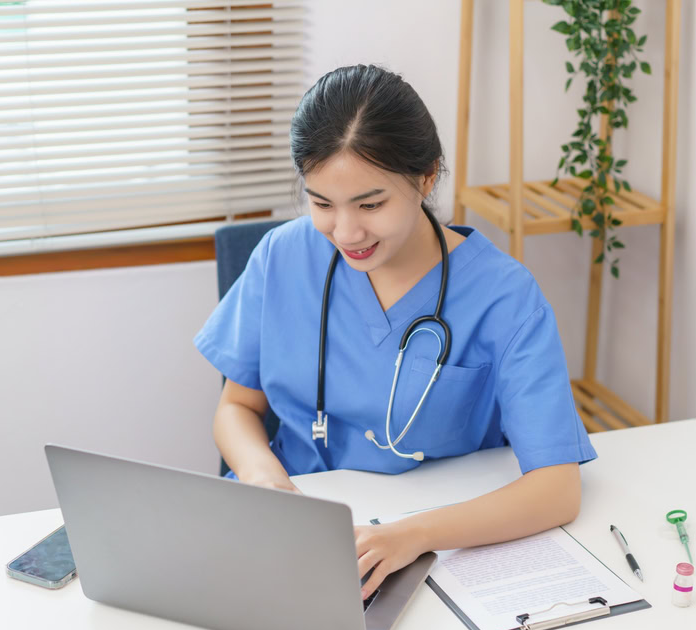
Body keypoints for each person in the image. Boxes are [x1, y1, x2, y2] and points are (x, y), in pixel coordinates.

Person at [194, 64, 596, 601]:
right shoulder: (282, 258)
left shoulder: (504, 297)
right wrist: (263, 478)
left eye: (371, 204)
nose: (346, 232)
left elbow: (557, 489)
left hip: (431, 546)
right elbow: (236, 409)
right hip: (292, 532)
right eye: (321, 204)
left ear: (427, 178)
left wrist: (412, 537)